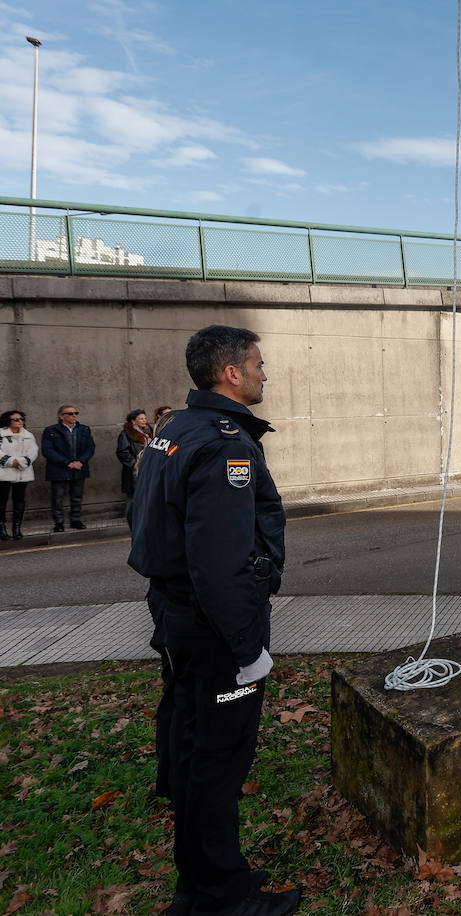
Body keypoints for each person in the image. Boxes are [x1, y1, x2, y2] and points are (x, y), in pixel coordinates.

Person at [127, 325, 298, 916]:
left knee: (188, 737)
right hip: (213, 626)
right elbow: (221, 562)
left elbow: (147, 523)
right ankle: (217, 896)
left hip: (176, 614)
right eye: (257, 364)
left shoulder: (174, 430)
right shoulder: (225, 443)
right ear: (231, 373)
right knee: (218, 760)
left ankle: (201, 878)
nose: (263, 373)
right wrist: (248, 647)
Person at [41, 404, 95, 532]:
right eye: (70, 414)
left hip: (79, 468)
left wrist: (81, 461)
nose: (74, 415)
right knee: (58, 497)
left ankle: (75, 520)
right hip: (59, 469)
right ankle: (59, 523)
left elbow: (90, 447)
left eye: (75, 413)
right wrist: (67, 462)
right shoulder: (51, 431)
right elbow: (48, 451)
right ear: (61, 416)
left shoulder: (84, 429)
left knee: (77, 496)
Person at [0, 410, 38, 541]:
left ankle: (17, 528)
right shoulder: (1, 434)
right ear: (8, 421)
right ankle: (2, 529)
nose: (20, 421)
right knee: (1, 501)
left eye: (21, 418)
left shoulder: (28, 435)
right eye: (16, 419)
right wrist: (11, 461)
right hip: (3, 473)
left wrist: (21, 462)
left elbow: (33, 451)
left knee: (19, 500)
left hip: (23, 472)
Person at [117, 408, 153, 510]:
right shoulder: (126, 434)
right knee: (133, 498)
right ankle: (132, 520)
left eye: (145, 418)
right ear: (133, 421)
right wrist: (135, 464)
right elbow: (122, 452)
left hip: (149, 468)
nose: (144, 420)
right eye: (141, 418)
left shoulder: (150, 432)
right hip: (135, 471)